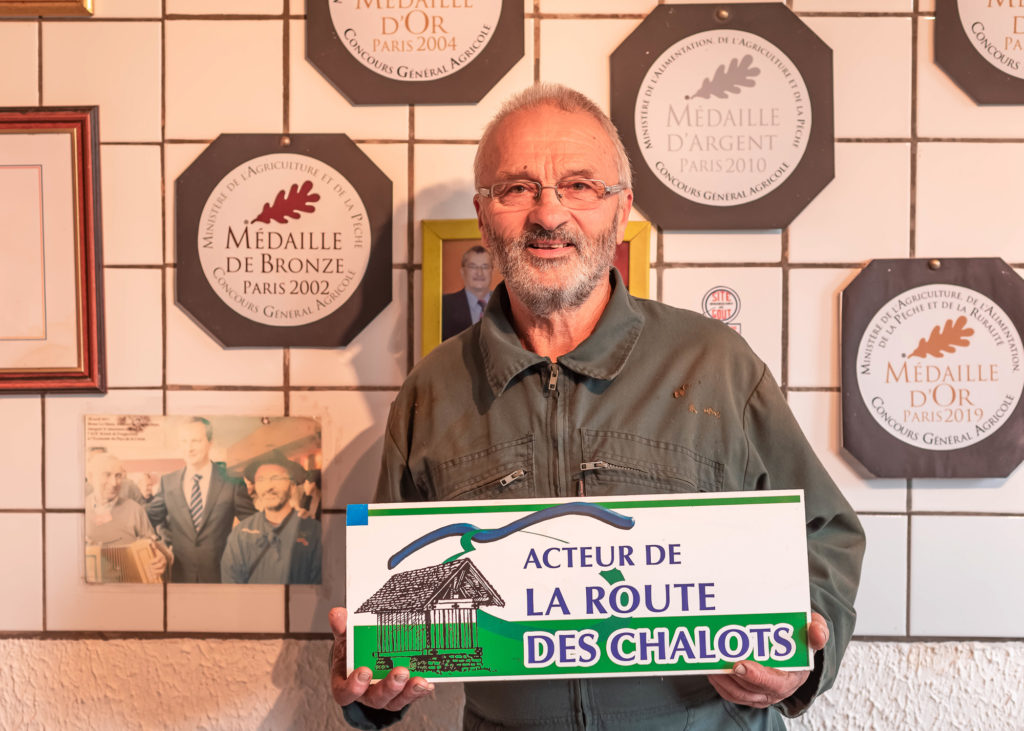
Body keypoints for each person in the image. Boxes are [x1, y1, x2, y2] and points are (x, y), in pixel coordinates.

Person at [330, 83, 865, 729]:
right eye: (517, 188)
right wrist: (370, 689)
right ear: (483, 214)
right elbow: (398, 601)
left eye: (580, 186)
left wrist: (806, 650)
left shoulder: (714, 363)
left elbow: (825, 529)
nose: (548, 215)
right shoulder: (433, 388)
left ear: (621, 211)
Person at [143, 416, 256, 583]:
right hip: (179, 577)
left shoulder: (231, 481)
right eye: (184, 441)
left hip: (221, 577)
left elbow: (254, 525)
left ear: (210, 442)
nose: (189, 448)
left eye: (195, 441)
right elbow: (147, 519)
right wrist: (159, 550)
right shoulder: (168, 482)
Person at [220, 452, 322, 584]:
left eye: (276, 478)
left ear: (291, 486)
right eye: (261, 479)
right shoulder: (241, 534)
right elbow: (231, 586)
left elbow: (320, 589)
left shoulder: (314, 533)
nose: (268, 486)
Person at [85, 451, 168, 583]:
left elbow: (153, 545)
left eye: (118, 476)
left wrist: (160, 557)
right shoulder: (78, 512)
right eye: (107, 475)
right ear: (90, 477)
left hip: (131, 587)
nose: (114, 483)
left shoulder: (135, 510)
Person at [440, 245, 494, 340]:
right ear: (462, 271)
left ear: (492, 271)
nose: (479, 273)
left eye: (485, 267)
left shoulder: (506, 304)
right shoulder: (444, 305)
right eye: (473, 266)